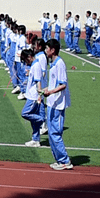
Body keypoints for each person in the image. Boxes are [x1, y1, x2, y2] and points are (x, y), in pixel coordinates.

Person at [41, 39, 72, 170]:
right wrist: (46, 89)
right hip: (52, 102)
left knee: (55, 133)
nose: (45, 50)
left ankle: (65, 161)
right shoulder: (53, 64)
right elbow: (54, 83)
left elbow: (63, 84)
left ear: (52, 50)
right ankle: (59, 159)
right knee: (51, 133)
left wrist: (51, 92)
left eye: (47, 48)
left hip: (58, 104)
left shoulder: (60, 64)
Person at [19, 49, 45, 148]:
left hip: (34, 96)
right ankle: (36, 139)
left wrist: (39, 95)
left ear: (29, 57)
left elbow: (39, 81)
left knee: (25, 113)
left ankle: (42, 119)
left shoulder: (36, 65)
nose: (26, 62)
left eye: (25, 60)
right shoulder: (34, 65)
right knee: (33, 120)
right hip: (31, 95)